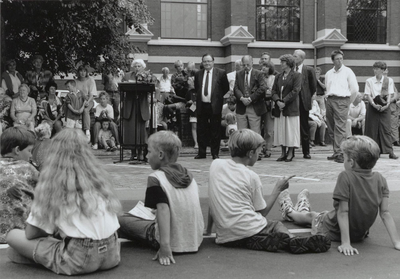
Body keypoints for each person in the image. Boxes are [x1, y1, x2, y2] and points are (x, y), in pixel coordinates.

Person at [6, 129, 122, 275]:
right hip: (112, 252)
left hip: (79, 257)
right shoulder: (99, 179)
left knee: (13, 238)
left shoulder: (52, 182)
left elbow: (30, 234)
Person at [205, 129, 331, 254]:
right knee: (275, 225)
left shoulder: (215, 165)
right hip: (248, 227)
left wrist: (209, 229)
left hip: (225, 236)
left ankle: (257, 240)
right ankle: (293, 240)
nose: (260, 153)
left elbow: (213, 199)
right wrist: (278, 189)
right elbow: (262, 212)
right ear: (250, 153)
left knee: (248, 233)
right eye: (259, 150)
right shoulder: (251, 176)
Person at [278, 135, 400, 256]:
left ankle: (289, 211)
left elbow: (343, 212)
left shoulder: (346, 176)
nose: (343, 160)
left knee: (313, 216)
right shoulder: (381, 179)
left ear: (351, 162)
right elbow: (385, 213)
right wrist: (396, 242)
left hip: (333, 230)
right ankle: (300, 205)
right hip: (358, 233)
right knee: (321, 215)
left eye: (344, 157)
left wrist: (345, 242)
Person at [118, 131, 204, 266]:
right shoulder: (189, 176)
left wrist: (164, 246)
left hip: (170, 241)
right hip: (194, 239)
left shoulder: (155, 178)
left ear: (160, 155)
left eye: (148, 151)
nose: (146, 156)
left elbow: (163, 209)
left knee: (119, 219)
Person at [0, 127, 38, 244]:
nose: (31, 156)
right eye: (29, 151)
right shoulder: (28, 168)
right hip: (19, 236)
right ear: (17, 150)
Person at [325, 50, 359, 163]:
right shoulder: (328, 73)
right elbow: (327, 87)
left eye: (341, 58)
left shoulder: (348, 71)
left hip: (342, 100)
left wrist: (348, 102)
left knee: (340, 127)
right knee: (331, 126)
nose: (339, 61)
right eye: (337, 59)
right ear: (332, 60)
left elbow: (355, 89)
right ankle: (336, 151)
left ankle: (341, 153)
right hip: (330, 100)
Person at [194, 54, 229, 160]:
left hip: (215, 105)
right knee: (201, 130)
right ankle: (202, 152)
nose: (207, 63)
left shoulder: (221, 73)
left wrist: (217, 98)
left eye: (209, 61)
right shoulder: (198, 74)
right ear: (202, 62)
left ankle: (215, 153)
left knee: (215, 130)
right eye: (205, 61)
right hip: (202, 105)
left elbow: (225, 88)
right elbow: (197, 88)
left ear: (213, 62)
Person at [122, 59, 157, 162]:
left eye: (139, 66)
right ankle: (132, 153)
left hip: (141, 104)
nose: (137, 68)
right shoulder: (127, 75)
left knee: (141, 130)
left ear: (143, 67)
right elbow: (122, 86)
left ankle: (141, 152)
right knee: (131, 129)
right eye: (135, 66)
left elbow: (153, 86)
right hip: (130, 104)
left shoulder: (147, 76)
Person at [364, 61, 398, 159]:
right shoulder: (369, 81)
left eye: (377, 69)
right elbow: (368, 95)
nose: (375, 70)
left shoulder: (389, 80)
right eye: (374, 68)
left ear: (383, 70)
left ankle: (389, 151)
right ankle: (373, 152)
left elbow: (390, 94)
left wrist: (387, 104)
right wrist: (374, 105)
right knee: (372, 129)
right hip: (373, 105)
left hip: (385, 106)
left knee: (386, 129)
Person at [271, 54, 302, 162]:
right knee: (281, 131)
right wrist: (277, 101)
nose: (281, 64)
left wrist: (284, 102)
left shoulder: (296, 75)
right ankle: (283, 152)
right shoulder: (278, 76)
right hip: (279, 109)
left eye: (283, 62)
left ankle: (290, 152)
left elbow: (295, 90)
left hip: (291, 108)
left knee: (290, 131)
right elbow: (273, 91)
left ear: (288, 63)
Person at [234, 55, 267, 135]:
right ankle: (242, 147)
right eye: (244, 65)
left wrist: (250, 99)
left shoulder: (259, 74)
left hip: (254, 106)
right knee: (241, 133)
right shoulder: (238, 74)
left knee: (255, 132)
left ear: (252, 63)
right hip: (241, 107)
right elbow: (236, 88)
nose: (246, 67)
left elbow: (262, 88)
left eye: (248, 64)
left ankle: (256, 148)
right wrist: (242, 98)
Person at [293, 49, 317, 159]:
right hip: (292, 102)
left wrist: (307, 97)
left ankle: (306, 151)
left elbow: (313, 87)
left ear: (302, 59)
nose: (293, 58)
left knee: (304, 126)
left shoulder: (308, 70)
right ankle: (291, 151)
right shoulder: (290, 69)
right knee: (292, 126)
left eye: (296, 56)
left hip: (303, 102)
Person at [75, 65, 97, 142]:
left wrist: (87, 101)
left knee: (85, 110)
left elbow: (92, 94)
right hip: (78, 100)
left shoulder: (90, 80)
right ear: (78, 72)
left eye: (84, 71)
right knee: (78, 111)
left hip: (89, 99)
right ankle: (78, 131)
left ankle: (87, 131)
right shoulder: (76, 82)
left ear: (86, 72)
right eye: (81, 71)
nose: (83, 73)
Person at [260, 60, 275, 158]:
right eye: (263, 66)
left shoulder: (274, 77)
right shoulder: (258, 76)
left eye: (266, 66)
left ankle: (268, 148)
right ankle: (260, 148)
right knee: (257, 128)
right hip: (259, 104)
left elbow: (273, 91)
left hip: (270, 105)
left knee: (269, 129)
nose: (264, 68)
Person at [383, 68, 400, 146]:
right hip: (384, 105)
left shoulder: (391, 80)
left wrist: (393, 98)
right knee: (385, 125)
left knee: (394, 124)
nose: (385, 71)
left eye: (386, 70)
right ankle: (386, 141)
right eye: (383, 70)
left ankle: (395, 140)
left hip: (393, 106)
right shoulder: (379, 81)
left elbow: (396, 93)